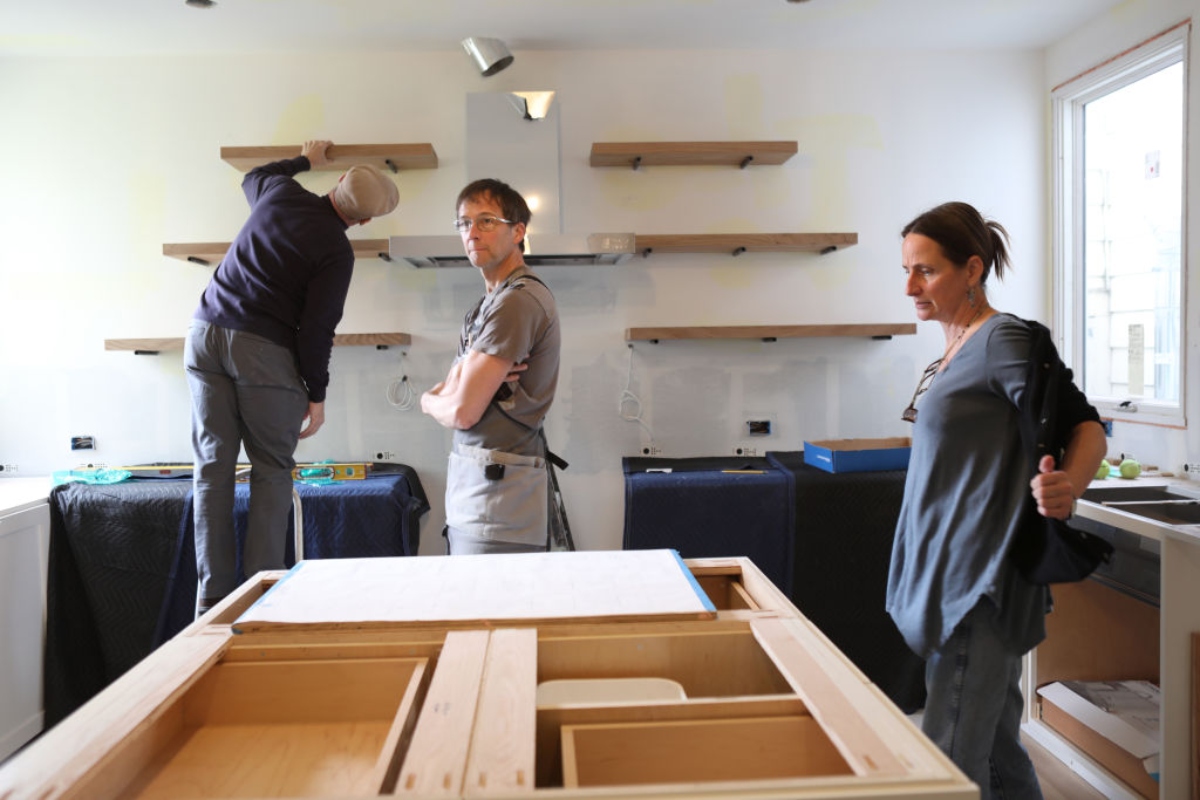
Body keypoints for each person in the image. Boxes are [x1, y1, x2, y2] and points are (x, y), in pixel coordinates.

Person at [886, 201, 1107, 799]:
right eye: (906, 269)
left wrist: (1069, 486)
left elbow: (1086, 425)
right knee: (999, 752)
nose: (910, 285)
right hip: (953, 575)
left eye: (925, 271)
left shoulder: (1003, 339)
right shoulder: (956, 347)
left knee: (952, 760)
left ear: (972, 269)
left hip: (976, 584)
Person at [185, 139, 399, 616]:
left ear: (338, 182)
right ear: (363, 221)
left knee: (212, 470)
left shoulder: (279, 192)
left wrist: (306, 159)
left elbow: (251, 176)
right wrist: (316, 394)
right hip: (262, 352)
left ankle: (211, 597)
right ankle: (258, 598)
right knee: (270, 472)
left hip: (202, 335)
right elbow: (316, 330)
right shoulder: (336, 251)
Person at [421, 178, 561, 555]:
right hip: (480, 485)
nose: (472, 232)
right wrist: (458, 383)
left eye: (486, 221)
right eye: (464, 223)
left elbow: (463, 410)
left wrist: (428, 399)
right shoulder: (484, 306)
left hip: (500, 496)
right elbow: (457, 388)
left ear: (518, 231)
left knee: (497, 612)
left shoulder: (517, 302)